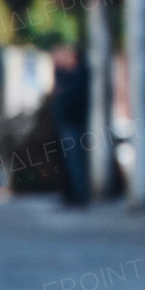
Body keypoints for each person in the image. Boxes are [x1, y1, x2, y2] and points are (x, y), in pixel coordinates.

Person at [50, 44, 89, 206]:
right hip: (66, 124)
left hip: (74, 124)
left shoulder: (79, 76)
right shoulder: (66, 76)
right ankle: (71, 194)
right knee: (67, 161)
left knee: (75, 161)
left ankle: (78, 195)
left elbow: (69, 98)